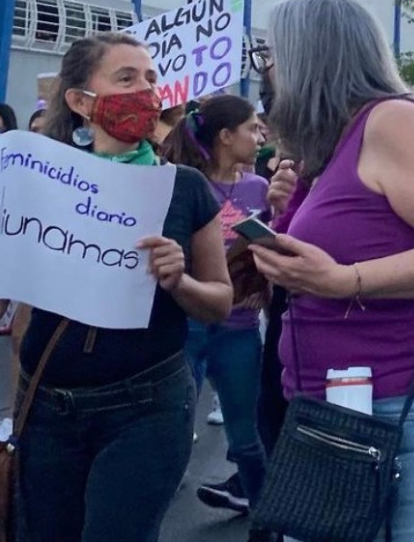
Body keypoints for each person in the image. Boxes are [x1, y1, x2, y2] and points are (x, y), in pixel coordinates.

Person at [248, 0, 414, 541]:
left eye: (274, 53)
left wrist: (343, 281)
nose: (269, 70)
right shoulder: (336, 143)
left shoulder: (393, 121)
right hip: (336, 414)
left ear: (313, 57)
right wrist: (280, 218)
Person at [0, 32, 233, 541]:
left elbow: (219, 303)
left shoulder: (184, 188)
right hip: (47, 408)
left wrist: (179, 281)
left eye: (151, 78)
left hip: (147, 408)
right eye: (126, 78)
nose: (146, 90)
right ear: (80, 101)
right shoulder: (35, 183)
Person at [160, 95, 271, 518]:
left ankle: (264, 517)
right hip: (185, 325)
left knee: (245, 437)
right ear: (226, 136)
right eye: (252, 129)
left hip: (239, 325)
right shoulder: (184, 185)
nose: (260, 137)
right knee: (170, 426)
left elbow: (268, 255)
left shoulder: (259, 187)